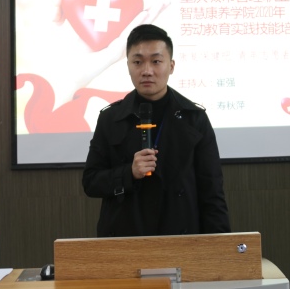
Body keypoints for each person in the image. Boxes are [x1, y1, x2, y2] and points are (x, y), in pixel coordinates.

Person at [82, 24, 231, 237]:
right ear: (128, 66)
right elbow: (91, 182)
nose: (147, 71)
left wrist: (221, 247)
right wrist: (129, 172)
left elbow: (212, 192)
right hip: (125, 237)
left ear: (171, 66)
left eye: (156, 61)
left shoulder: (194, 118)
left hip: (180, 237)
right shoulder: (111, 118)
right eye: (137, 62)